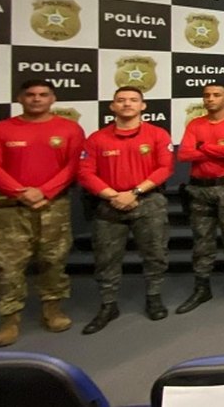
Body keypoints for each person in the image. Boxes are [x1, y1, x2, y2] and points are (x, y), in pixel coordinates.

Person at [0, 80, 84, 346]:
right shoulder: (0, 130)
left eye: (43, 94)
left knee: (54, 260)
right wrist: (20, 192)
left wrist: (45, 192)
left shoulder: (69, 129)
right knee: (7, 266)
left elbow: (72, 166)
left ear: (53, 98)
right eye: (30, 94)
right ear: (20, 98)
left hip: (53, 206)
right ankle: (10, 318)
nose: (37, 99)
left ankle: (52, 310)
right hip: (9, 209)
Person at [78, 86, 174, 334]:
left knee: (155, 253)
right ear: (112, 106)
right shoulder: (97, 139)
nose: (127, 104)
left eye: (133, 100)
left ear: (143, 106)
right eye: (121, 100)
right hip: (109, 205)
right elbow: (86, 173)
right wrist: (113, 195)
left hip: (148, 201)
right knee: (106, 258)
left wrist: (135, 193)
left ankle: (154, 297)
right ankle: (108, 305)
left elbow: (164, 168)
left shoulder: (157, 135)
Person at [175, 83, 224, 314]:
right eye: (207, 95)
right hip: (199, 189)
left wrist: (202, 147)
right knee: (202, 240)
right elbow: (184, 154)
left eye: (216, 95)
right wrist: (214, 148)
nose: (210, 99)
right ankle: (202, 288)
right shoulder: (195, 124)